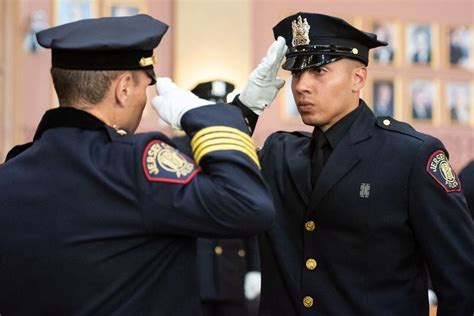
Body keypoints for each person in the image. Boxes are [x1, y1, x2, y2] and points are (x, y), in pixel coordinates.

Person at [0, 15, 276, 315]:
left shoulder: (12, 170)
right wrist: (209, 115)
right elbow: (248, 203)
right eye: (145, 86)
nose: (145, 99)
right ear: (124, 89)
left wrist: (240, 113)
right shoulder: (137, 162)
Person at [237, 12, 473, 316]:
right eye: (296, 73)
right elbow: (206, 174)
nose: (301, 86)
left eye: (319, 71)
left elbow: (461, 283)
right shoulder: (279, 155)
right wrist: (245, 109)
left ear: (358, 78)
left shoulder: (410, 156)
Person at [173, 80, 262, 316]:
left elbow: (249, 211)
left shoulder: (239, 150)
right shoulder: (175, 151)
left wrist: (254, 267)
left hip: (231, 272)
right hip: (191, 274)